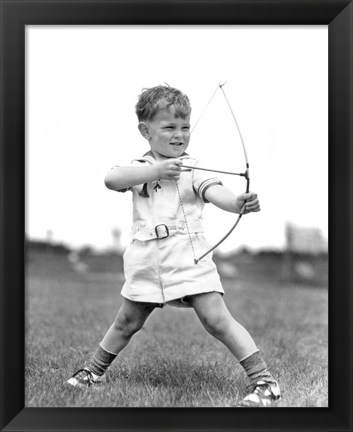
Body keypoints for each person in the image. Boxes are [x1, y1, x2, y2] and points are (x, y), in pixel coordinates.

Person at [67, 85, 281, 407]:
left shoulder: (192, 168)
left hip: (188, 256)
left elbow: (215, 193)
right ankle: (93, 372)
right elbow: (112, 179)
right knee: (127, 322)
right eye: (169, 127)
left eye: (185, 128)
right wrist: (155, 170)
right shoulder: (139, 167)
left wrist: (238, 203)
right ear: (146, 131)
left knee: (216, 319)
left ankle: (265, 382)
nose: (179, 135)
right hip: (146, 260)